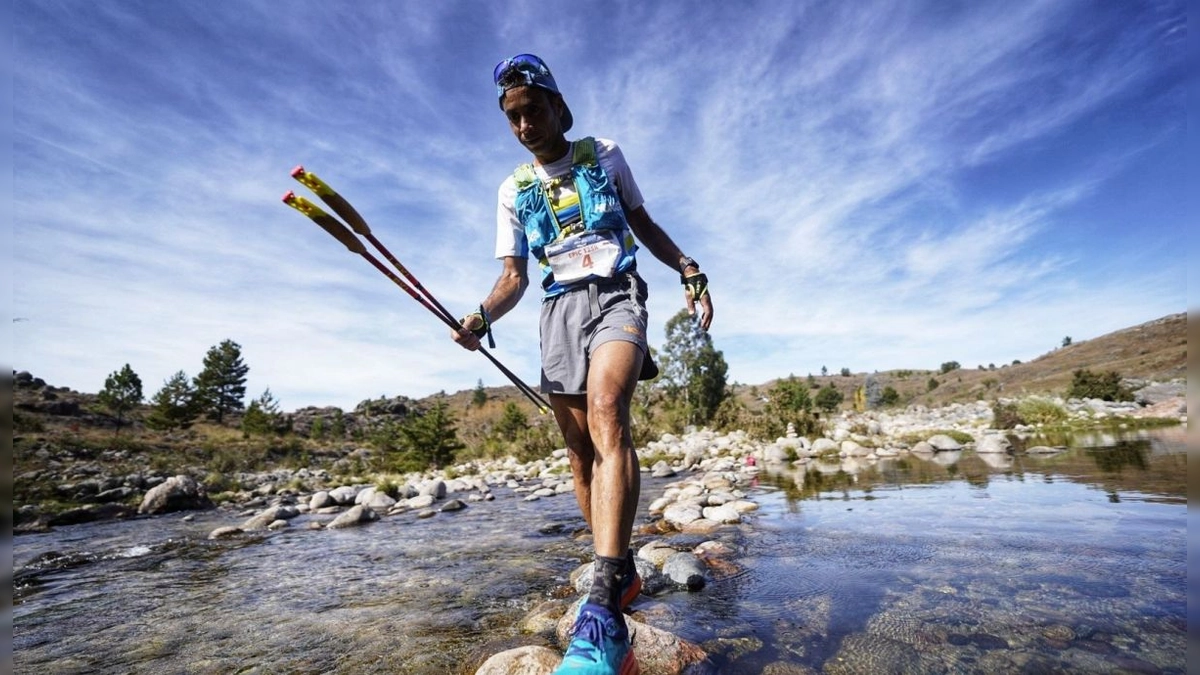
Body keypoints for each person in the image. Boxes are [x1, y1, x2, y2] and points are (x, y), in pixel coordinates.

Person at [452, 53, 714, 675]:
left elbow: (642, 223)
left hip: (618, 296)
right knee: (577, 453)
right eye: (512, 118)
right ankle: (619, 570)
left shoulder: (606, 154)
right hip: (557, 311)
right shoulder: (512, 190)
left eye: (532, 111)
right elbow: (513, 277)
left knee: (607, 413)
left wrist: (688, 269)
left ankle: (601, 605)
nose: (523, 127)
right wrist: (482, 317)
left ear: (557, 106)